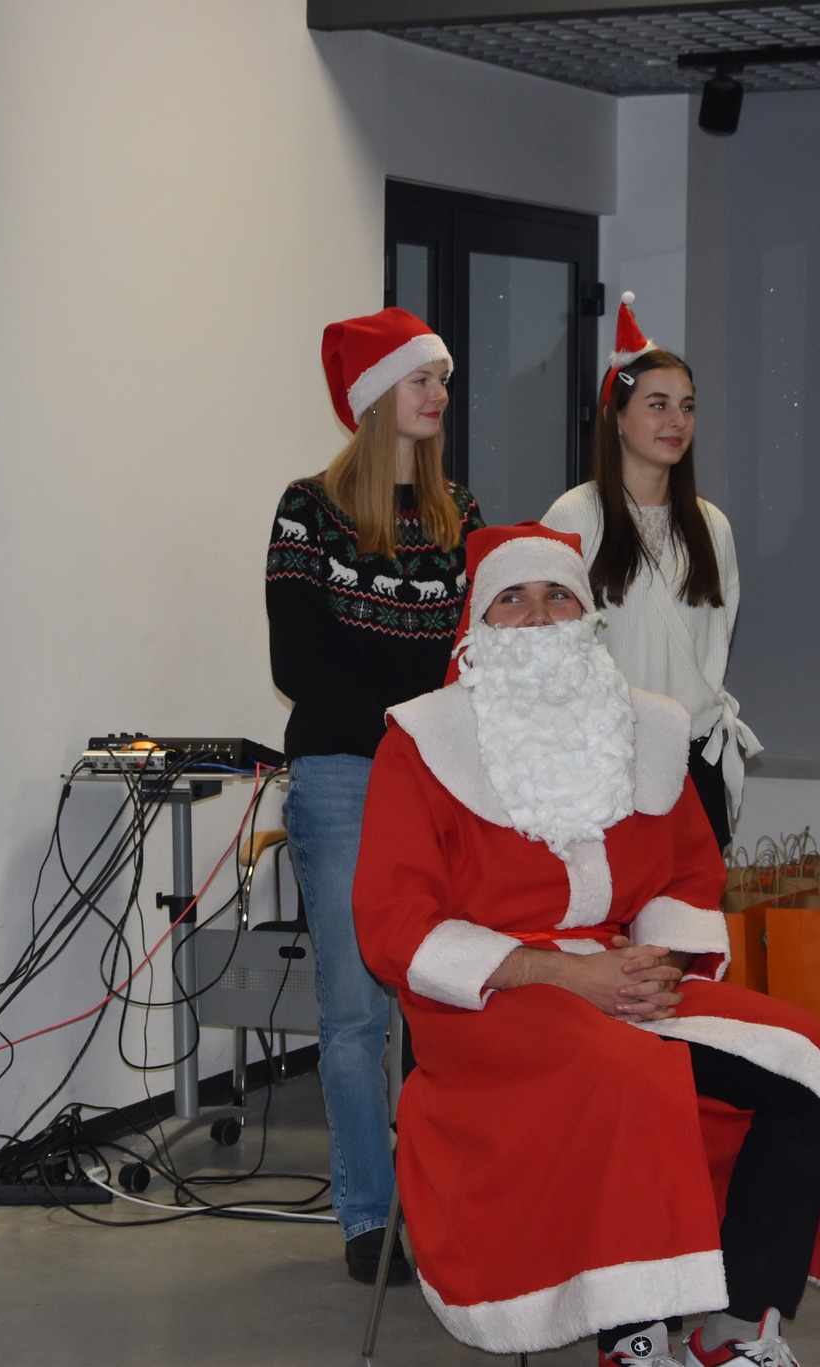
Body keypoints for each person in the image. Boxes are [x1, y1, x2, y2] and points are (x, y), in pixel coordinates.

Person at [353, 522, 820, 1367]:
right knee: (625, 1074)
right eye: (512, 598)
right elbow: (394, 924)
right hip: (485, 996)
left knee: (811, 1061)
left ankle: (736, 1329)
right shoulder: (420, 743)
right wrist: (564, 974)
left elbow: (687, 875)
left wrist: (654, 965)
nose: (539, 615)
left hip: (624, 973)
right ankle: (633, 1338)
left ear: (589, 614)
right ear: (478, 624)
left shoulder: (648, 728)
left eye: (559, 594)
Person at [264, 307, 483, 1283]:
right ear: (375, 395)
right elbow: (298, 664)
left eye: (442, 379)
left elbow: (474, 653)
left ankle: (443, 1198)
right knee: (355, 1012)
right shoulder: (308, 510)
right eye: (421, 378)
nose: (439, 394)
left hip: (439, 782)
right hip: (344, 779)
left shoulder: (459, 514)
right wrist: (412, 722)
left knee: (442, 1001)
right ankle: (367, 1213)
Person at [544, 293, 757, 848]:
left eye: (687, 407)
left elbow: (718, 637)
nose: (677, 421)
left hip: (695, 760)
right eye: (658, 405)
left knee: (693, 905)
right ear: (617, 417)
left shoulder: (712, 527)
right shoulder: (574, 517)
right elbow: (547, 647)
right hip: (604, 761)